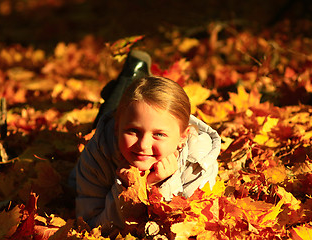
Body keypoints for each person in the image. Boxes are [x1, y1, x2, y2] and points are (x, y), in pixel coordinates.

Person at [73, 50, 221, 234]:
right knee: (72, 179)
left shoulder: (198, 162)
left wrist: (159, 185)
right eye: (133, 131)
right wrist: (133, 189)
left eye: (159, 134)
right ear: (119, 129)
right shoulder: (97, 154)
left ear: (183, 138)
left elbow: (188, 228)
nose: (143, 145)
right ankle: (125, 85)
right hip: (110, 135)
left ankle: (129, 80)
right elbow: (93, 226)